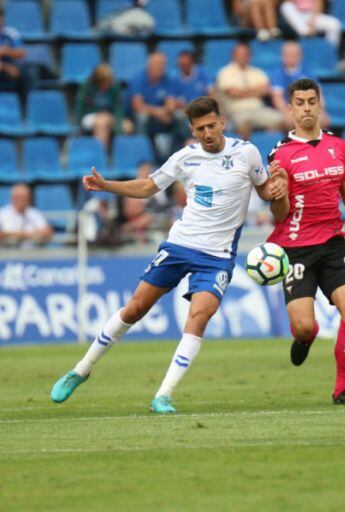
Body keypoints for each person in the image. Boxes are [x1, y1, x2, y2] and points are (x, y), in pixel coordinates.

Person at [50, 96, 288, 413]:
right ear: (192, 130)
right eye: (199, 128)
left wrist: (277, 192)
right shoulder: (184, 158)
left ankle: (163, 395)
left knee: (199, 316)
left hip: (217, 256)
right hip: (180, 245)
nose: (207, 133)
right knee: (135, 308)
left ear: (222, 123)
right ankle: (81, 370)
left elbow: (266, 194)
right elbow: (149, 187)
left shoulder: (246, 153)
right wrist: (107, 186)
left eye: (211, 126)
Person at [266, 78, 345, 404]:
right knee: (304, 326)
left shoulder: (339, 147)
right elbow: (279, 213)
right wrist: (279, 193)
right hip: (295, 248)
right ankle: (306, 338)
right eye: (299, 102)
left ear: (320, 105)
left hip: (333, 242)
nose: (305, 108)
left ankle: (342, 389)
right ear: (289, 109)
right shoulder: (280, 154)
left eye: (311, 101)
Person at [216, 43, 283, 141]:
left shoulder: (257, 72)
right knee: (244, 123)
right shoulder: (225, 72)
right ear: (233, 55)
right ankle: (246, 153)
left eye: (245, 54)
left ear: (250, 56)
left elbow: (266, 90)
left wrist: (242, 92)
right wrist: (256, 90)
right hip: (237, 112)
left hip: (259, 110)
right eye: (239, 54)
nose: (242, 57)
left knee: (283, 120)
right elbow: (233, 93)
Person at [127, 52, 183, 159]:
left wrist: (167, 111)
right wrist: (157, 112)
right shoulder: (138, 79)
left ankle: (173, 155)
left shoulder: (167, 79)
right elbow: (137, 106)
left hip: (161, 115)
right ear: (149, 65)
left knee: (179, 116)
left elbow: (170, 103)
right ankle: (143, 155)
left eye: (163, 65)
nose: (161, 68)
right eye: (157, 65)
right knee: (142, 117)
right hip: (138, 117)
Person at [74, 63, 134, 150]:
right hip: (89, 116)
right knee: (102, 122)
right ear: (98, 81)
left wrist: (118, 126)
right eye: (105, 83)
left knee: (128, 126)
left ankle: (120, 156)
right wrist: (78, 125)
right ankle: (100, 157)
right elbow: (80, 108)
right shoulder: (87, 86)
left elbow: (118, 108)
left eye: (109, 82)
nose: (108, 85)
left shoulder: (114, 86)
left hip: (109, 116)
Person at [269, 41, 326, 129]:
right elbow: (277, 98)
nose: (291, 57)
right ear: (282, 56)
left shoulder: (308, 72)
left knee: (323, 120)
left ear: (300, 56)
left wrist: (319, 110)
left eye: (294, 54)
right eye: (288, 54)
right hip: (289, 110)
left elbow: (319, 95)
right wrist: (287, 112)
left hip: (308, 108)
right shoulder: (278, 73)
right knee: (289, 121)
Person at [0, 7, 27, 94]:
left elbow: (21, 52)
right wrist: (6, 67)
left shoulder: (9, 33)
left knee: (27, 73)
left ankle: (26, 105)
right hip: (5, 68)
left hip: (9, 69)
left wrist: (5, 51)